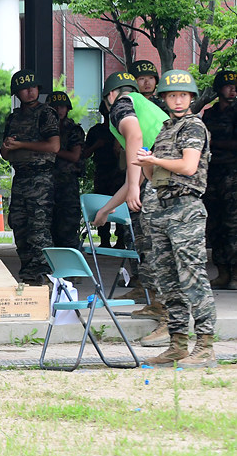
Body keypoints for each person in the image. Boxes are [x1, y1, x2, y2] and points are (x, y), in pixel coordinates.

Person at [136, 70, 217, 368]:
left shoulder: (193, 127)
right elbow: (153, 176)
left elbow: (187, 165)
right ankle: (178, 344)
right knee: (168, 280)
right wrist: (147, 162)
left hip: (186, 209)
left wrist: (154, 160)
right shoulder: (166, 128)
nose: (178, 100)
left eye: (183, 95)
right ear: (165, 98)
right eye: (172, 95)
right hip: (162, 207)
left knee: (193, 277)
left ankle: (205, 346)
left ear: (192, 98)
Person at [94, 70, 171, 347]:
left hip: (166, 178)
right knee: (148, 244)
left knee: (159, 249)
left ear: (109, 96)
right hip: (163, 174)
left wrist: (136, 188)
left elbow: (135, 138)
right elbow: (135, 176)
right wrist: (106, 209)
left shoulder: (122, 103)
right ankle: (156, 304)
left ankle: (168, 320)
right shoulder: (143, 105)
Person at [0, 70, 60, 284]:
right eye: (25, 88)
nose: (30, 91)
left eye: (33, 87)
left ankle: (45, 275)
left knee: (39, 229)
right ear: (17, 93)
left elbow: (54, 146)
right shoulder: (14, 117)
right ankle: (28, 274)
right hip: (21, 177)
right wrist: (8, 147)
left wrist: (21, 144)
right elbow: (5, 153)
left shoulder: (46, 113)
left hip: (41, 178)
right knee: (20, 226)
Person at [201, 69, 237, 290]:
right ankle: (222, 273)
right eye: (228, 85)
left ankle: (235, 276)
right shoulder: (210, 114)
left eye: (235, 86)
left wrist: (214, 144)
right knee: (215, 226)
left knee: (234, 226)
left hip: (233, 175)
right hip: (212, 175)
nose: (233, 89)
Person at [82, 104, 127, 248]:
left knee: (120, 205)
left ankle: (121, 240)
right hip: (102, 172)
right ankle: (104, 239)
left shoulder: (122, 130)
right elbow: (84, 154)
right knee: (101, 205)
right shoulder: (96, 131)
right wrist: (97, 145)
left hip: (119, 173)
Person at [47, 91, 85, 249]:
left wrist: (51, 150)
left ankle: (71, 269)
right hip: (47, 182)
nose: (59, 110)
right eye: (55, 107)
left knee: (67, 229)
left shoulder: (73, 130)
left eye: (62, 106)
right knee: (49, 229)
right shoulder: (45, 129)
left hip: (67, 185)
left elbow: (75, 156)